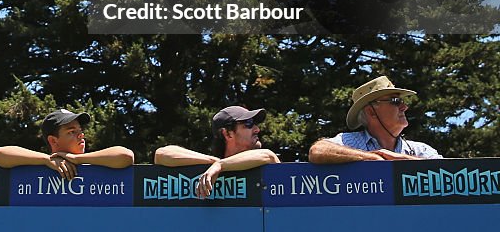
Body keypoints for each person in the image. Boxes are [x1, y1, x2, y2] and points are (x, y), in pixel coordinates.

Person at [154, 105, 280, 199]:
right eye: (248, 123)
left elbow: (269, 156)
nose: (257, 129)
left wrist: (220, 165)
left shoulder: (264, 160)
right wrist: (213, 162)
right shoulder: (211, 169)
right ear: (227, 133)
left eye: (255, 124)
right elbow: (161, 154)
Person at [309, 75, 442, 162]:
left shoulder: (421, 150)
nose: (404, 107)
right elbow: (317, 150)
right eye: (395, 101)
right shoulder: (349, 141)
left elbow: (448, 172)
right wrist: (373, 157)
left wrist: (402, 159)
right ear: (371, 111)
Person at [0, 109, 134, 181]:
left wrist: (77, 159)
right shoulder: (41, 163)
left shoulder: (97, 161)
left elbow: (126, 156)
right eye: (72, 132)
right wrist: (47, 160)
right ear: (53, 141)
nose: (81, 135)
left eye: (80, 130)